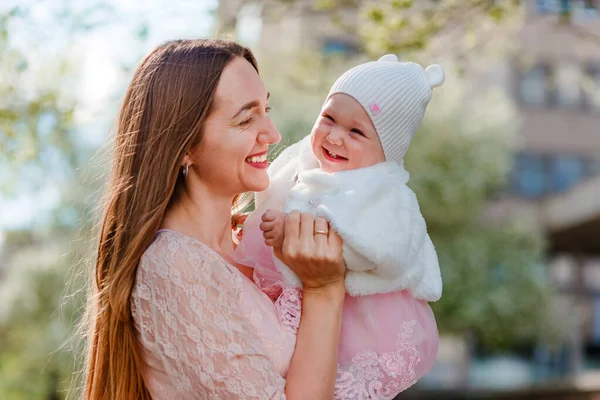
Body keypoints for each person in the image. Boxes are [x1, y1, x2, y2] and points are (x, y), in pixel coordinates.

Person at [83, 38, 348, 399]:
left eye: (266, 109)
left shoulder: (260, 243)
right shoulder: (175, 265)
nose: (273, 134)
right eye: (246, 119)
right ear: (185, 145)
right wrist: (324, 290)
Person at [234, 55, 444, 398]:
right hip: (307, 288)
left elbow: (382, 251)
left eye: (356, 131)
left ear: (386, 150)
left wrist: (293, 230)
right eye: (328, 118)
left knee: (337, 377)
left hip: (361, 311)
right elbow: (277, 185)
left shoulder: (385, 193)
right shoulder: (312, 163)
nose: (334, 137)